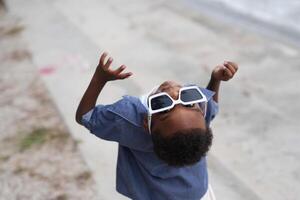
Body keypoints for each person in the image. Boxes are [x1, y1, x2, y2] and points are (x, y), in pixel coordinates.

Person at [76, 52, 238, 200]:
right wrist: (215, 80)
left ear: (147, 124)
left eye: (164, 107)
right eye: (189, 104)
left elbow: (85, 116)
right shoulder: (197, 118)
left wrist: (99, 79)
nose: (174, 93)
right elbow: (211, 108)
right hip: (198, 194)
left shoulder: (130, 119)